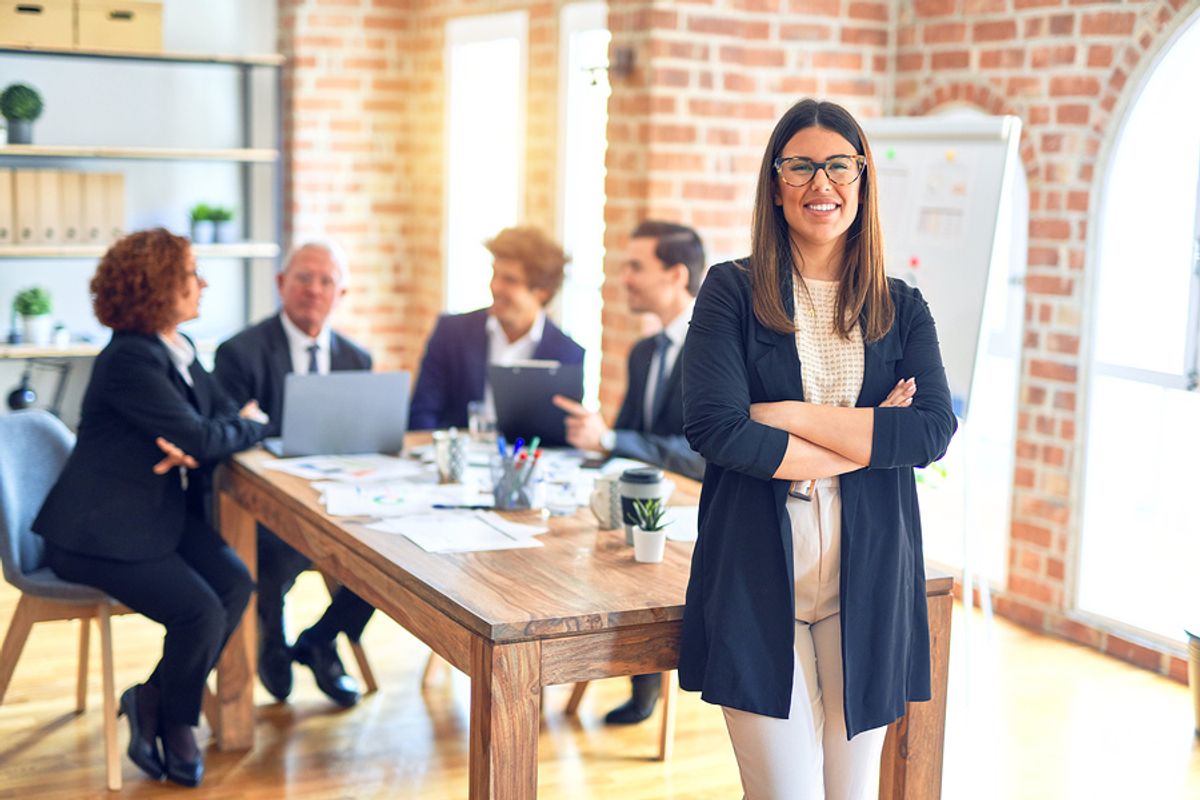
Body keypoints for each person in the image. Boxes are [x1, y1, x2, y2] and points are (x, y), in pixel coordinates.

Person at [678, 99, 957, 799]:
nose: (820, 184)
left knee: (850, 793)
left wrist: (791, 415)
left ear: (862, 183)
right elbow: (718, 428)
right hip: (753, 573)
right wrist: (867, 436)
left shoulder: (902, 305)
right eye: (799, 166)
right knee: (785, 792)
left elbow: (928, 430)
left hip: (870, 581)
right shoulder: (731, 292)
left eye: (839, 166)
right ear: (775, 184)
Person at [33, 228, 269, 788]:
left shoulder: (177, 350)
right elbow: (208, 433)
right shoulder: (130, 360)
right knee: (201, 612)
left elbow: (215, 422)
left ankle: (152, 699)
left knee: (235, 585)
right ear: (161, 286)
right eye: (191, 274)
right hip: (96, 532)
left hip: (152, 512)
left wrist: (213, 434)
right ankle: (179, 720)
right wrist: (237, 430)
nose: (203, 283)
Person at [552, 220, 706, 725]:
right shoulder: (644, 352)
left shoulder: (716, 352)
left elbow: (702, 454)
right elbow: (625, 437)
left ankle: (646, 673)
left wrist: (613, 440)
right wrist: (591, 441)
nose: (625, 279)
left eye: (636, 267)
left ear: (676, 275)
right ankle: (619, 664)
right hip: (642, 506)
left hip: (694, 512)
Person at [213, 240, 374, 708]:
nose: (314, 289)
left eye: (327, 281)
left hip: (339, 500)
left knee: (390, 558)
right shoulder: (239, 354)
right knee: (276, 551)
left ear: (341, 294)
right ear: (282, 284)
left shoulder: (356, 360)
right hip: (269, 507)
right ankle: (271, 635)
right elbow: (229, 438)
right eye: (304, 277)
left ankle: (321, 639)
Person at [409, 226, 584, 430]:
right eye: (495, 275)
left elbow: (562, 433)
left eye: (509, 280)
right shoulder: (451, 333)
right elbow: (421, 416)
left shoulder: (568, 353)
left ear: (541, 292)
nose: (495, 286)